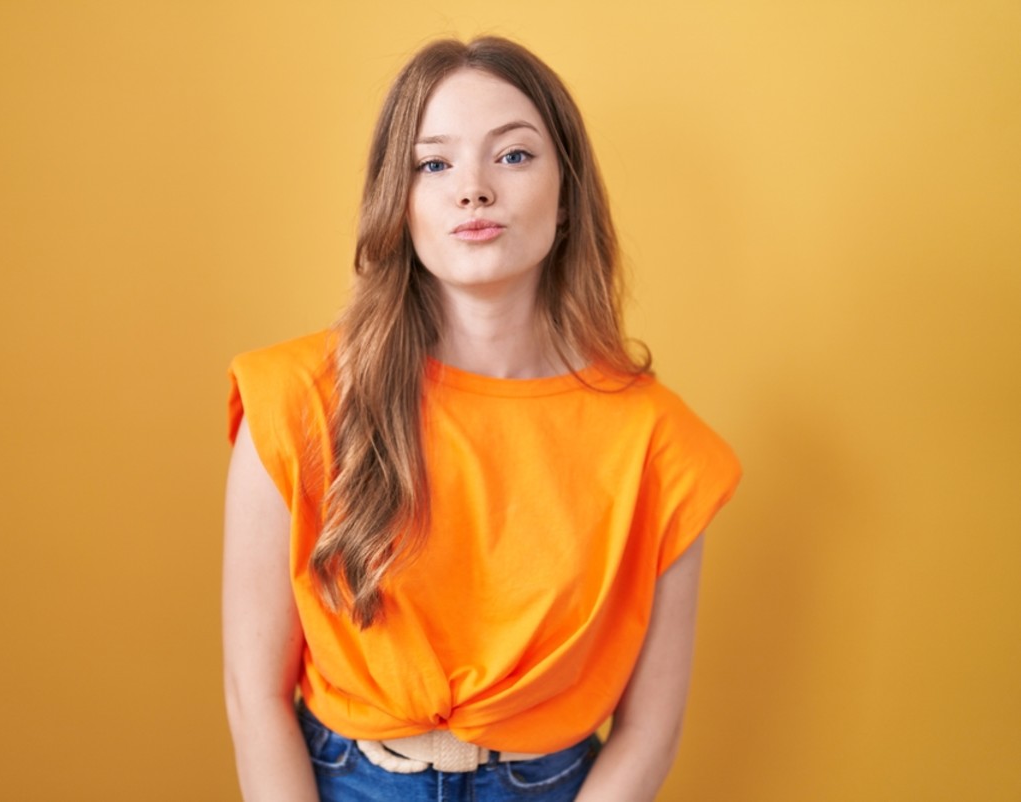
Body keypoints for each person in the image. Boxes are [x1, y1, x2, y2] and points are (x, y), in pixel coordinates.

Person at [223, 36, 741, 802]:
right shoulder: (293, 398)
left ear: (567, 197)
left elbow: (649, 733)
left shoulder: (660, 444)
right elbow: (253, 695)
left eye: (514, 156)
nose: (472, 189)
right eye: (433, 164)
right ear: (397, 201)